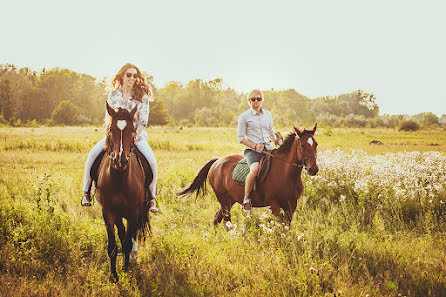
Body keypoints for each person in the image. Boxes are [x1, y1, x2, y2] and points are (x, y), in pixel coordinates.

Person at [81, 63, 158, 213]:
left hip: (135, 136)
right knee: (92, 154)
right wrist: (110, 137)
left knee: (152, 162)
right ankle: (86, 193)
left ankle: (151, 198)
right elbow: (107, 119)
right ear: (122, 76)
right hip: (115, 136)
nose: (132, 78)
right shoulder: (113, 95)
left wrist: (136, 136)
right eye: (129, 75)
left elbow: (143, 121)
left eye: (135, 75)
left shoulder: (142, 96)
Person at [237, 89, 281, 214]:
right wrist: (255, 147)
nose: (256, 101)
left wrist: (277, 142)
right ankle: (246, 199)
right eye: (253, 99)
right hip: (252, 150)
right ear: (249, 101)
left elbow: (271, 133)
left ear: (262, 100)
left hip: (268, 148)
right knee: (255, 168)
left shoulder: (268, 114)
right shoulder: (244, 117)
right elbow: (240, 138)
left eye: (259, 99)